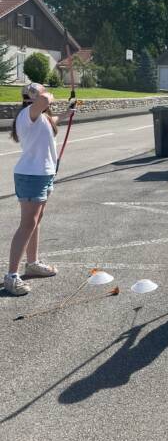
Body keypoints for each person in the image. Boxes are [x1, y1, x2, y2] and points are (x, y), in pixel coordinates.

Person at [4, 83, 72, 296]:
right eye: (41, 91)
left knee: (35, 222)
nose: (46, 94)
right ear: (31, 96)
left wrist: (68, 112)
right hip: (31, 175)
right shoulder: (28, 113)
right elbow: (43, 101)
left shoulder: (40, 117)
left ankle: (32, 263)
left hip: (43, 174)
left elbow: (52, 122)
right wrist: (42, 94)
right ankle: (11, 277)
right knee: (27, 224)